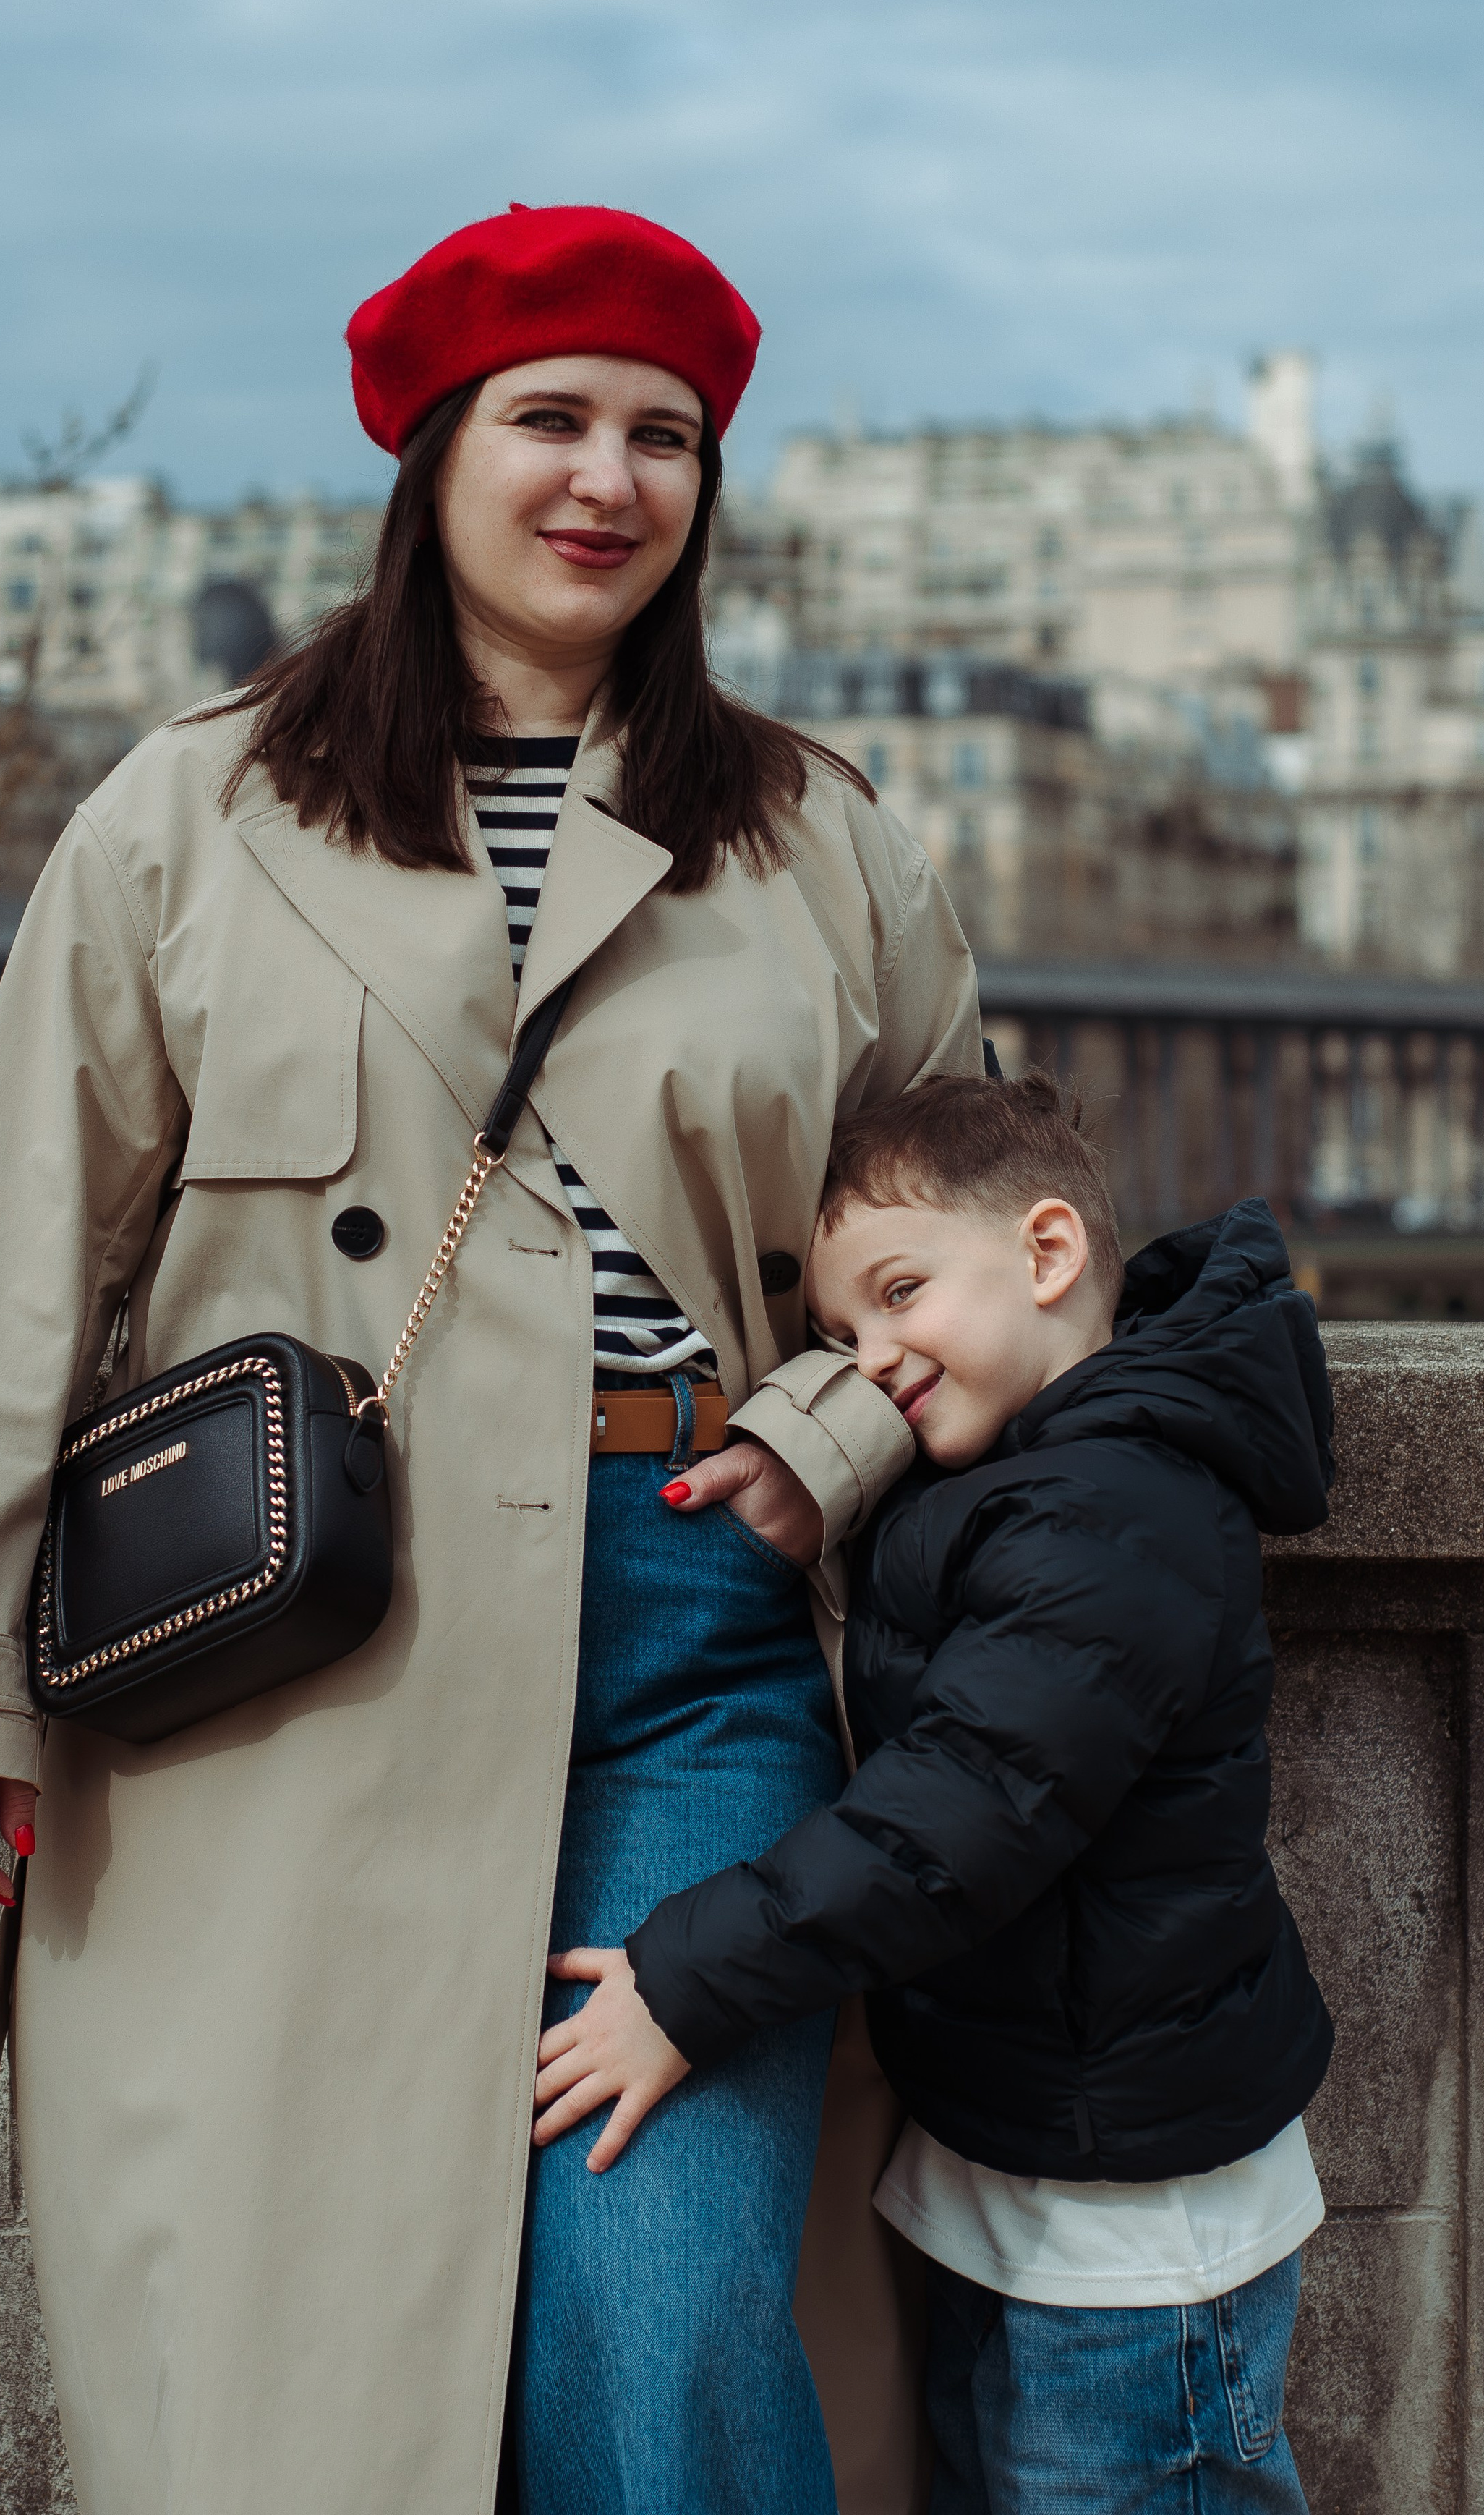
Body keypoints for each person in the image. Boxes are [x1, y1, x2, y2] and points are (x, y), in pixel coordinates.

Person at [0, 204, 981, 2515]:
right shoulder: (188, 812)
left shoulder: (826, 839)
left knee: (666, 2330)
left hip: (699, 1649)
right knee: (302, 2371)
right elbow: (20, 1254)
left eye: (665, 437)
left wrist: (832, 1421)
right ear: (435, 458)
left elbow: (985, 1240)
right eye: (551, 420)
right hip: (293, 1649)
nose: (609, 480)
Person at [533, 1071, 1336, 2514]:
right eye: (840, 1330)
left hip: (1133, 2243)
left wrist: (679, 1978)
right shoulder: (1034, 1468)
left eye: (900, 1294)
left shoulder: (1114, 1509)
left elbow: (952, 1818)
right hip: (1037, 2177)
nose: (873, 1354)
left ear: (1045, 1252)